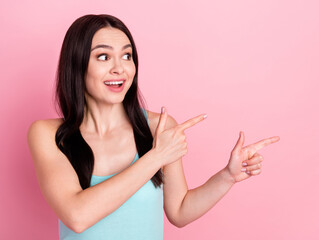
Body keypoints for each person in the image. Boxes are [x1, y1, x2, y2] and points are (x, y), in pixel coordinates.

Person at [27, 14, 280, 239]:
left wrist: (227, 176)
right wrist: (156, 157)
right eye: (103, 57)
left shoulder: (158, 128)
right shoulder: (49, 134)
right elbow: (77, 216)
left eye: (127, 56)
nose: (119, 68)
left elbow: (179, 211)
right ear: (77, 65)